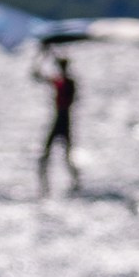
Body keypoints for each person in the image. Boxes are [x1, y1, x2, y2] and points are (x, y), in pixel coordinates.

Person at [33, 49, 80, 196]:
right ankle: (45, 186)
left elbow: (38, 75)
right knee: (53, 154)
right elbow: (36, 75)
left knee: (63, 155)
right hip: (61, 119)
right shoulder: (61, 82)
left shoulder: (67, 83)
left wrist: (44, 56)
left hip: (63, 119)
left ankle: (74, 182)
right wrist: (43, 56)